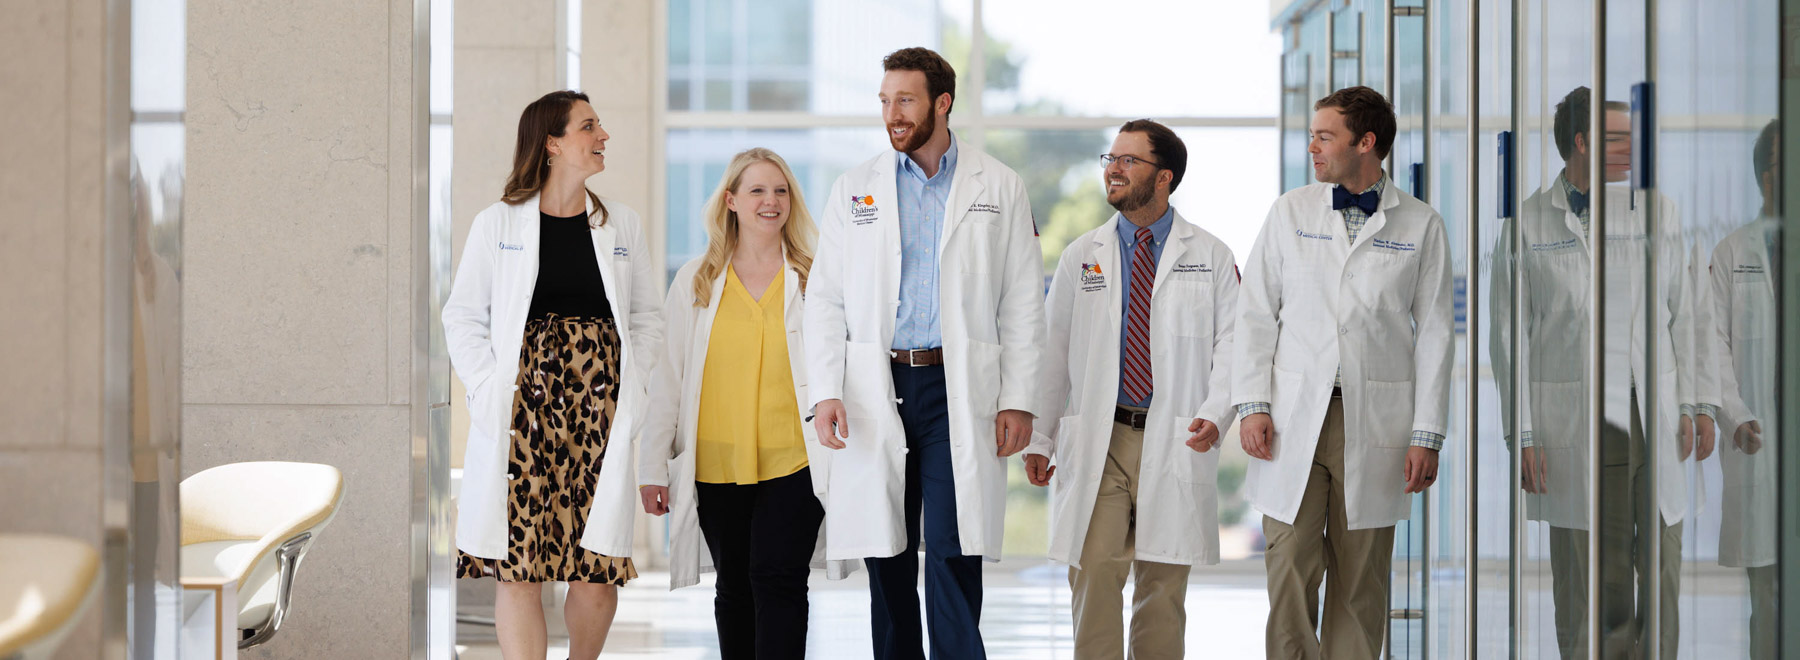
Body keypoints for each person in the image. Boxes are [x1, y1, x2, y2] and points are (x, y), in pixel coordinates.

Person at [803, 46, 1046, 660]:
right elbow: (825, 299)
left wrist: (1019, 399)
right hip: (875, 386)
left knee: (953, 544)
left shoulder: (1000, 186)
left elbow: (1021, 301)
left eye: (905, 100)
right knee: (885, 550)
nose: (892, 114)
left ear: (941, 103)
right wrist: (826, 389)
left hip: (957, 388)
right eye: (885, 101)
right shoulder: (854, 188)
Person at [1233, 86, 1454, 660]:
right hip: (1292, 420)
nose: (1313, 146)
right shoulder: (1291, 211)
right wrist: (1253, 403)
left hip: (1373, 422)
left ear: (1366, 143)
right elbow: (1255, 312)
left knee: (1360, 583)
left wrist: (1426, 435)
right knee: (1287, 568)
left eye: (1324, 136)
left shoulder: (1422, 224)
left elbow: (1434, 334)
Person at [443, 90, 663, 660]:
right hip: (523, 413)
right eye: (589, 126)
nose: (603, 135)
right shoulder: (497, 223)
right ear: (553, 143)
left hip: (600, 410)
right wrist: (491, 390)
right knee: (521, 566)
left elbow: (646, 317)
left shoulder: (622, 225)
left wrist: (631, 392)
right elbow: (462, 315)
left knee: (596, 566)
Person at [1490, 86, 1700, 659]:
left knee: (1659, 565)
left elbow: (1686, 316)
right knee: (1586, 579)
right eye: (1618, 137)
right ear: (1582, 143)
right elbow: (1510, 340)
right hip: (1575, 424)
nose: (1632, 147)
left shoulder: (1657, 212)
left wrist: (1691, 406)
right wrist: (1524, 433)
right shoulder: (1529, 222)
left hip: (1647, 412)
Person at [1026, 119, 1239, 659]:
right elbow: (1054, 354)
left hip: (1177, 435)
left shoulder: (1210, 255)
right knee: (1094, 572)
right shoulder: (1083, 255)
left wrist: (1218, 414)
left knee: (1163, 586)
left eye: (1128, 161)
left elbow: (1234, 346)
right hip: (1105, 434)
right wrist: (1041, 438)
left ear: (1163, 177)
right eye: (1110, 159)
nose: (1113, 170)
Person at [638, 147, 850, 659]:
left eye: (780, 191)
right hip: (716, 460)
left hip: (794, 458)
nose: (770, 201)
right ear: (730, 201)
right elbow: (668, 378)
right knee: (734, 585)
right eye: (756, 190)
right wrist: (652, 465)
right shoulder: (697, 280)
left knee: (778, 579)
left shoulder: (813, 277)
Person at [1708, 119, 1780, 660]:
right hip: (1763, 443)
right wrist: (1734, 416)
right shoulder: (1733, 252)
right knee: (1771, 596)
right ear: (1764, 177)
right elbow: (1714, 346)